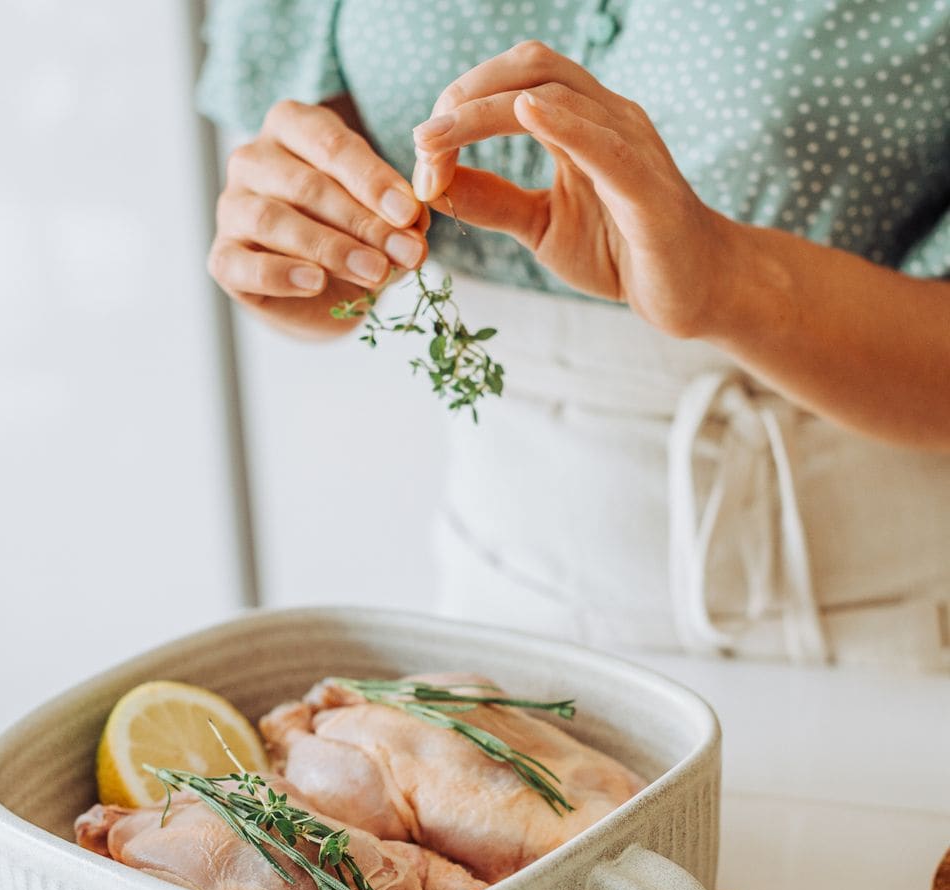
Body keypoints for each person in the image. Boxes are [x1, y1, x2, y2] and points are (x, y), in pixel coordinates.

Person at [197, 1, 950, 672]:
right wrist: (308, 260)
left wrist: (728, 280)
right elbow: (325, 188)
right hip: (502, 596)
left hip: (876, 624)